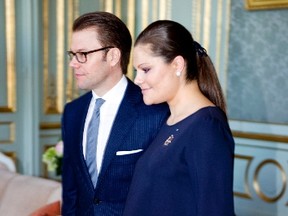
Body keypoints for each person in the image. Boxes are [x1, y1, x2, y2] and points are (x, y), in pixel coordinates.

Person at [61, 12, 169, 215]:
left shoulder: (155, 111)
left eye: (83, 54)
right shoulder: (72, 112)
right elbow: (70, 189)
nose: (73, 63)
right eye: (72, 54)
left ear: (112, 56)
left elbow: (163, 193)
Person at [123, 20, 235, 216]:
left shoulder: (206, 126)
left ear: (177, 64)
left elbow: (215, 210)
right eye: (136, 71)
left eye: (146, 69)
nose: (137, 79)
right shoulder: (169, 120)